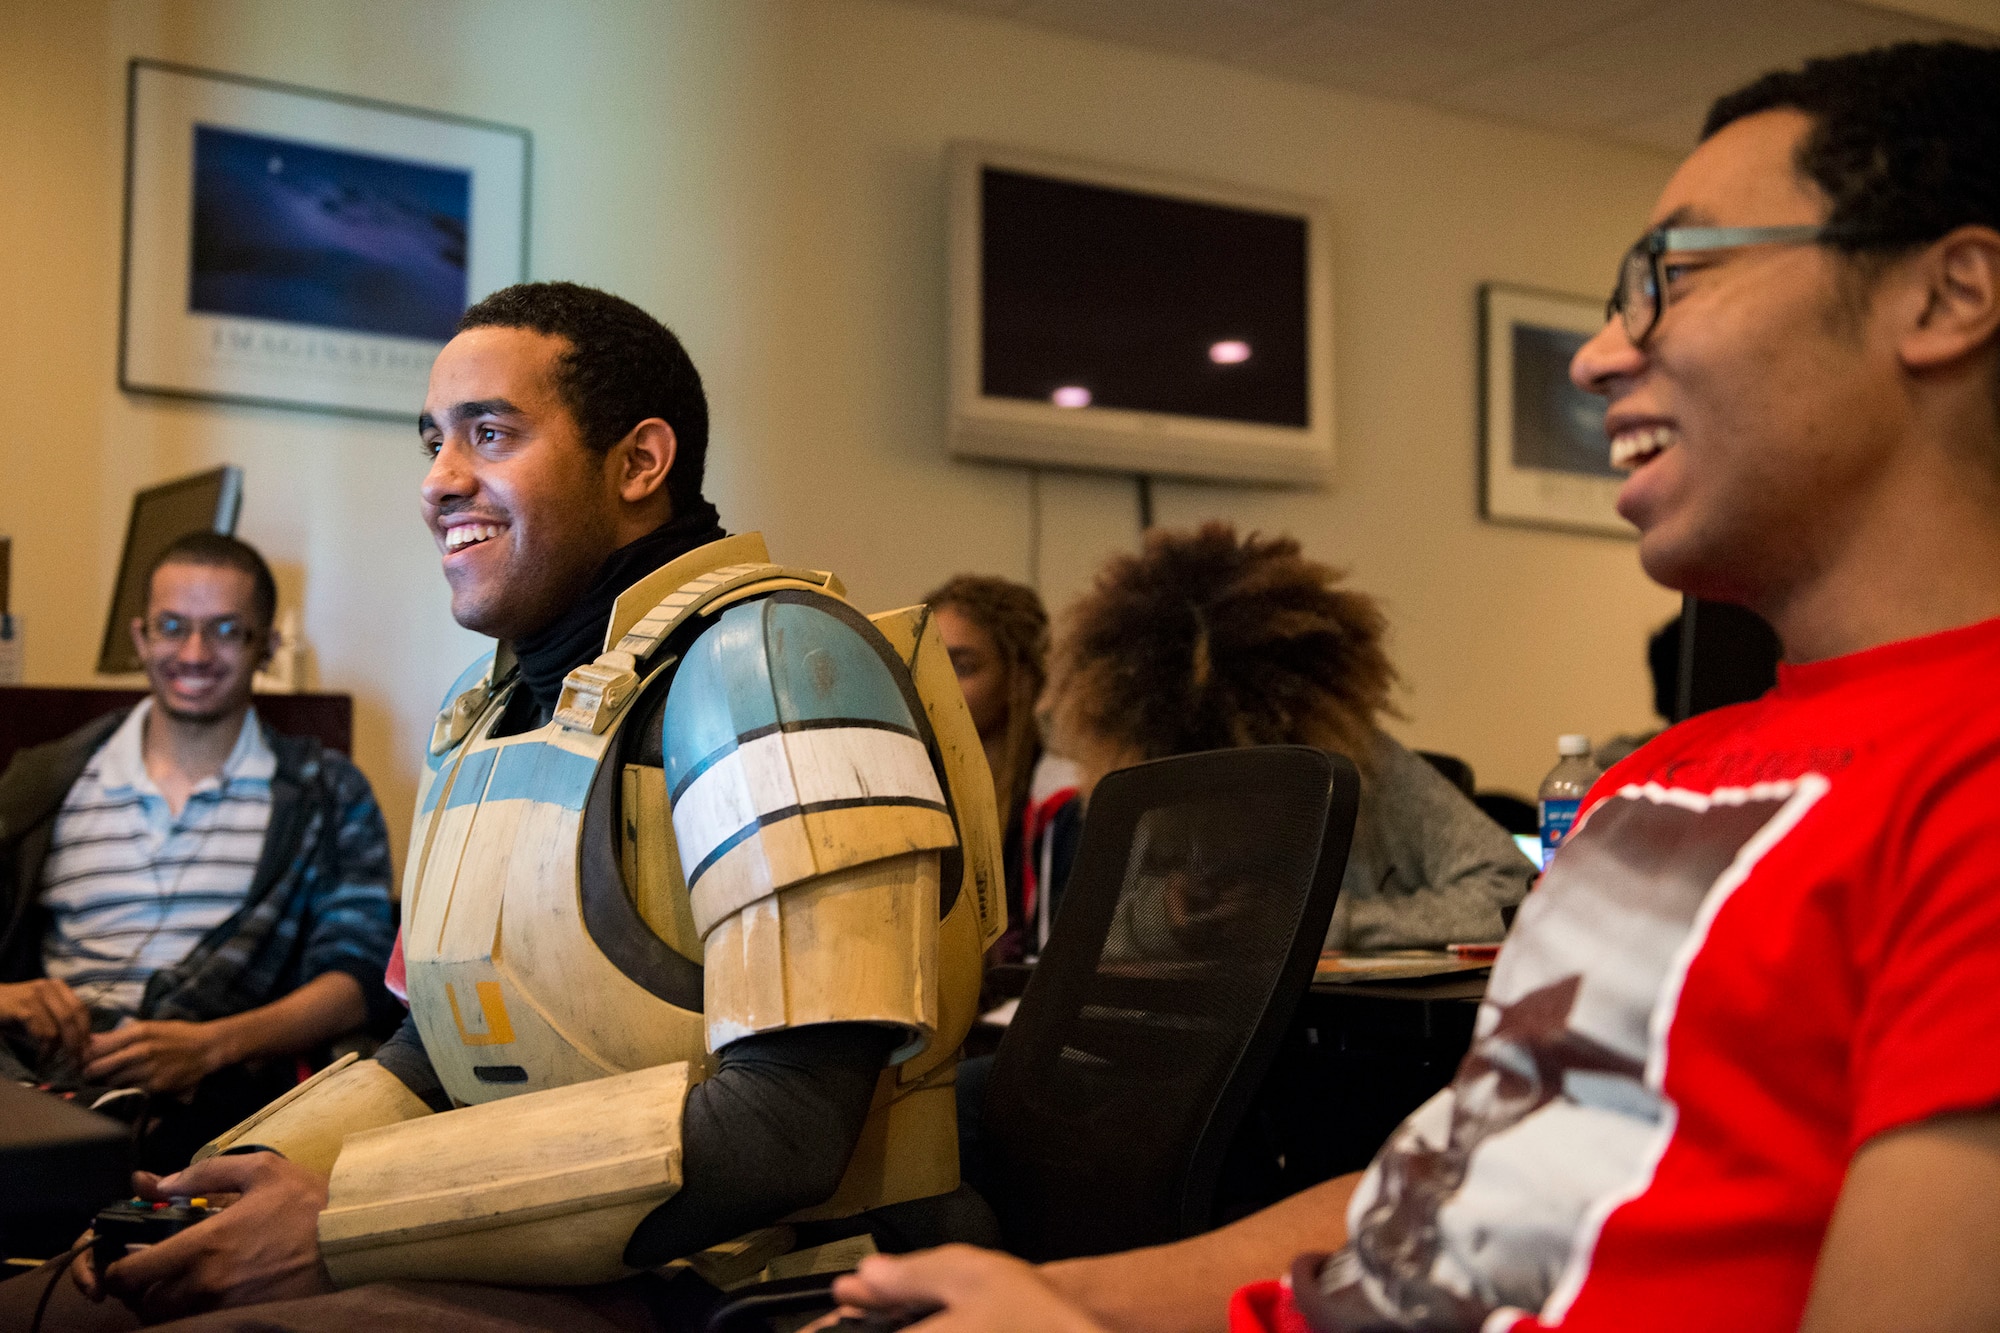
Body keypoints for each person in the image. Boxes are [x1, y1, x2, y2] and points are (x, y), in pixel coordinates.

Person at [829, 39, 2000, 1333]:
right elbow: (1456, 1182)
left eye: (1670, 275)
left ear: (1949, 295)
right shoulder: (1647, 785)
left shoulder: (1971, 774)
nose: (1599, 355)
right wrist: (1049, 1300)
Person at [22, 281, 1002, 1330]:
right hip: (557, 1251)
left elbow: (787, 1127)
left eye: (488, 433)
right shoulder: (487, 707)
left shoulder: (776, 658)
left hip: (761, 1279)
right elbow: (430, 1049)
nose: (440, 481)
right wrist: (233, 1177)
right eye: (432, 440)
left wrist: (336, 1218)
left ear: (639, 462)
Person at [0, 532, 397, 1173]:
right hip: (45, 1095)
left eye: (225, 631)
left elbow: (357, 984)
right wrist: (8, 998)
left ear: (265, 647)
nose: (193, 653)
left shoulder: (325, 793)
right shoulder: (44, 783)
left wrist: (212, 1046)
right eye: (172, 627)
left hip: (226, 1105)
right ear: (140, 638)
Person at [1041, 522, 1531, 950]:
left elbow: (1513, 891)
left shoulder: (1365, 766)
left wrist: (1322, 923)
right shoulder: (1148, 776)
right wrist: (1168, 918)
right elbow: (1088, 942)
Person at [924, 575, 1080, 963]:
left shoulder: (1060, 801)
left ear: (1019, 676)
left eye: (962, 667)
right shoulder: (916, 791)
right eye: (928, 666)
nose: (936, 687)